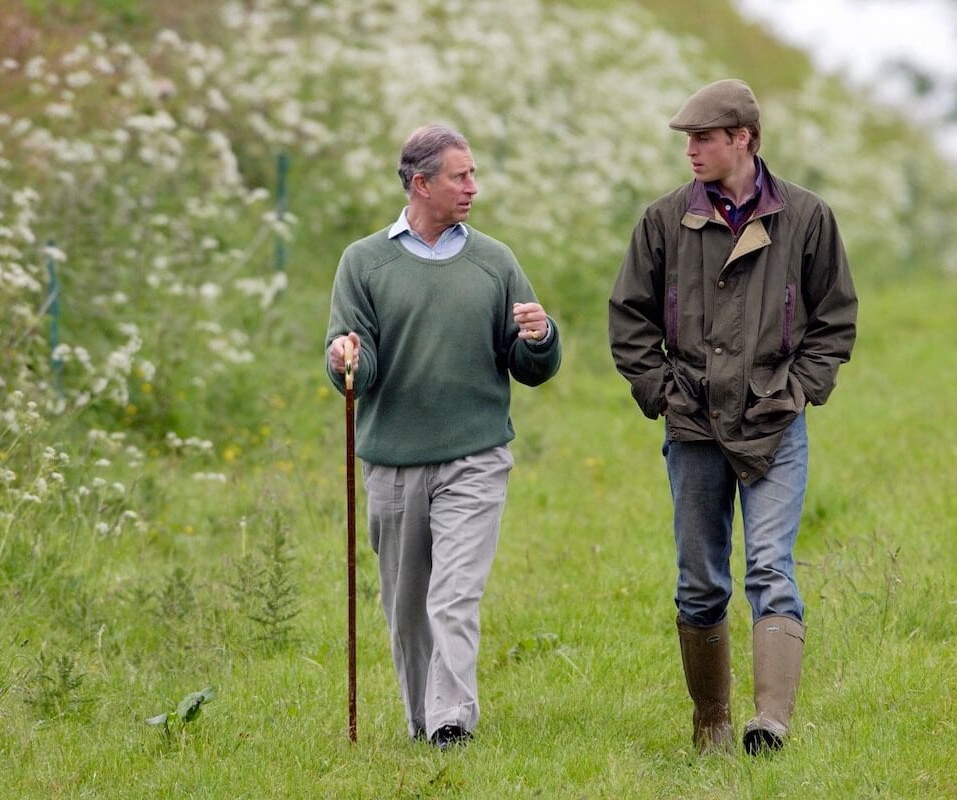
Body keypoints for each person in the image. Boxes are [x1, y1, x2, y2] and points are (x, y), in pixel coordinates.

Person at [608, 79, 857, 755]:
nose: (690, 151)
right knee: (699, 579)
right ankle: (711, 721)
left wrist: (800, 387)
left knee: (771, 567)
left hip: (776, 423)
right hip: (691, 425)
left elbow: (835, 320)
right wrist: (663, 393)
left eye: (703, 139)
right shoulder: (662, 223)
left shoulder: (807, 219)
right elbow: (628, 319)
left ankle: (770, 723)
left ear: (743, 139)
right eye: (687, 140)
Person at [325, 123, 561, 750]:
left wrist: (539, 337)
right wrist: (345, 356)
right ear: (421, 184)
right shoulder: (364, 262)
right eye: (461, 176)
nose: (473, 188)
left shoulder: (495, 262)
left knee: (453, 594)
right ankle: (421, 721)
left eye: (474, 174)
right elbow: (358, 366)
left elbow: (529, 367)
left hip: (476, 457)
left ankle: (451, 722)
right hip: (393, 461)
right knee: (407, 610)